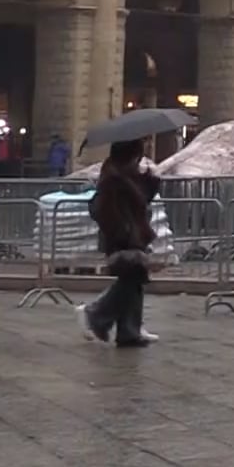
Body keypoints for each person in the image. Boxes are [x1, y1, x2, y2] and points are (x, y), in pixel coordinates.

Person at [78, 139, 160, 347]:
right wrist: (123, 232)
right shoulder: (114, 179)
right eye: (138, 155)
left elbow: (142, 200)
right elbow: (106, 210)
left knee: (135, 279)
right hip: (124, 237)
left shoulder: (126, 175)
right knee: (130, 280)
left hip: (134, 234)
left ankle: (128, 330)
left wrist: (151, 181)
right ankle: (95, 313)